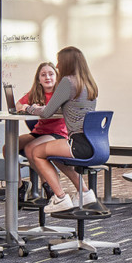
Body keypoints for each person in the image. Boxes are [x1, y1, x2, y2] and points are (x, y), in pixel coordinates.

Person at [23, 46, 98, 213]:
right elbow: (67, 109)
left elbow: (47, 112)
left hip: (78, 143)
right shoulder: (89, 83)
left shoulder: (67, 82)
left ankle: (60, 197)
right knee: (54, 156)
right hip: (93, 143)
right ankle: (84, 192)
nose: (57, 66)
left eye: (59, 62)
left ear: (67, 63)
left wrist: (29, 108)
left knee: (35, 151)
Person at [14, 62, 66, 197]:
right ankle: (20, 186)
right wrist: (26, 106)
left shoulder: (60, 93)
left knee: (31, 148)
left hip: (57, 133)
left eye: (51, 74)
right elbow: (18, 105)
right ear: (38, 79)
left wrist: (33, 108)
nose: (47, 77)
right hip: (39, 132)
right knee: (8, 147)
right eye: (43, 75)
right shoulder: (36, 93)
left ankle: (48, 183)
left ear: (57, 77)